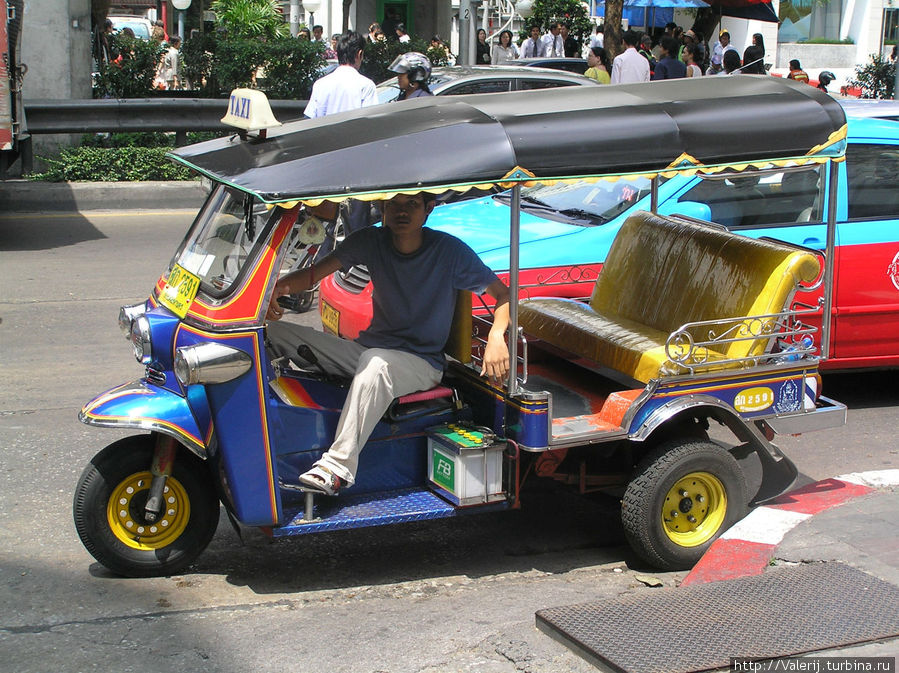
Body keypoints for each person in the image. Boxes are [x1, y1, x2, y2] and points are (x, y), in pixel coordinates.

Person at [266, 192, 511, 495]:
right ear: (382, 207)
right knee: (270, 332)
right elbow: (315, 273)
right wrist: (277, 289)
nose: (402, 211)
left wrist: (496, 336)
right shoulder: (371, 240)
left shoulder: (449, 251)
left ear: (428, 210)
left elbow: (503, 295)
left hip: (420, 362)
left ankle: (337, 467)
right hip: (368, 350)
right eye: (394, 204)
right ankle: (263, 436)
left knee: (376, 364)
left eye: (412, 204)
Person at [304, 30, 377, 119]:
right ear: (360, 54)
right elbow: (371, 121)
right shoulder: (367, 86)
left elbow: (309, 117)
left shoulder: (320, 84)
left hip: (324, 132)